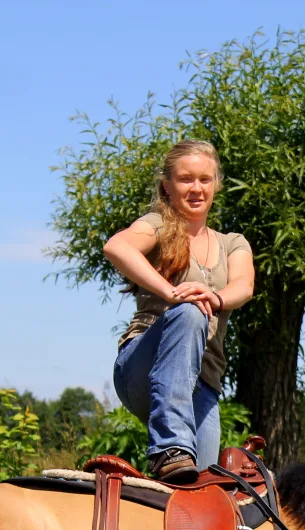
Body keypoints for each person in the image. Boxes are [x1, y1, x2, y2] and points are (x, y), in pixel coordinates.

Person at [103, 140, 255, 484]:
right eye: (186, 179)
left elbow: (244, 286)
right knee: (189, 312)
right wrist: (174, 294)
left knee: (197, 487)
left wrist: (214, 298)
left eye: (205, 179)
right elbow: (116, 247)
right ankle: (168, 448)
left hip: (201, 384)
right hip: (143, 366)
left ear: (216, 184)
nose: (197, 188)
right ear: (167, 186)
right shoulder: (156, 224)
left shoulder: (233, 242)